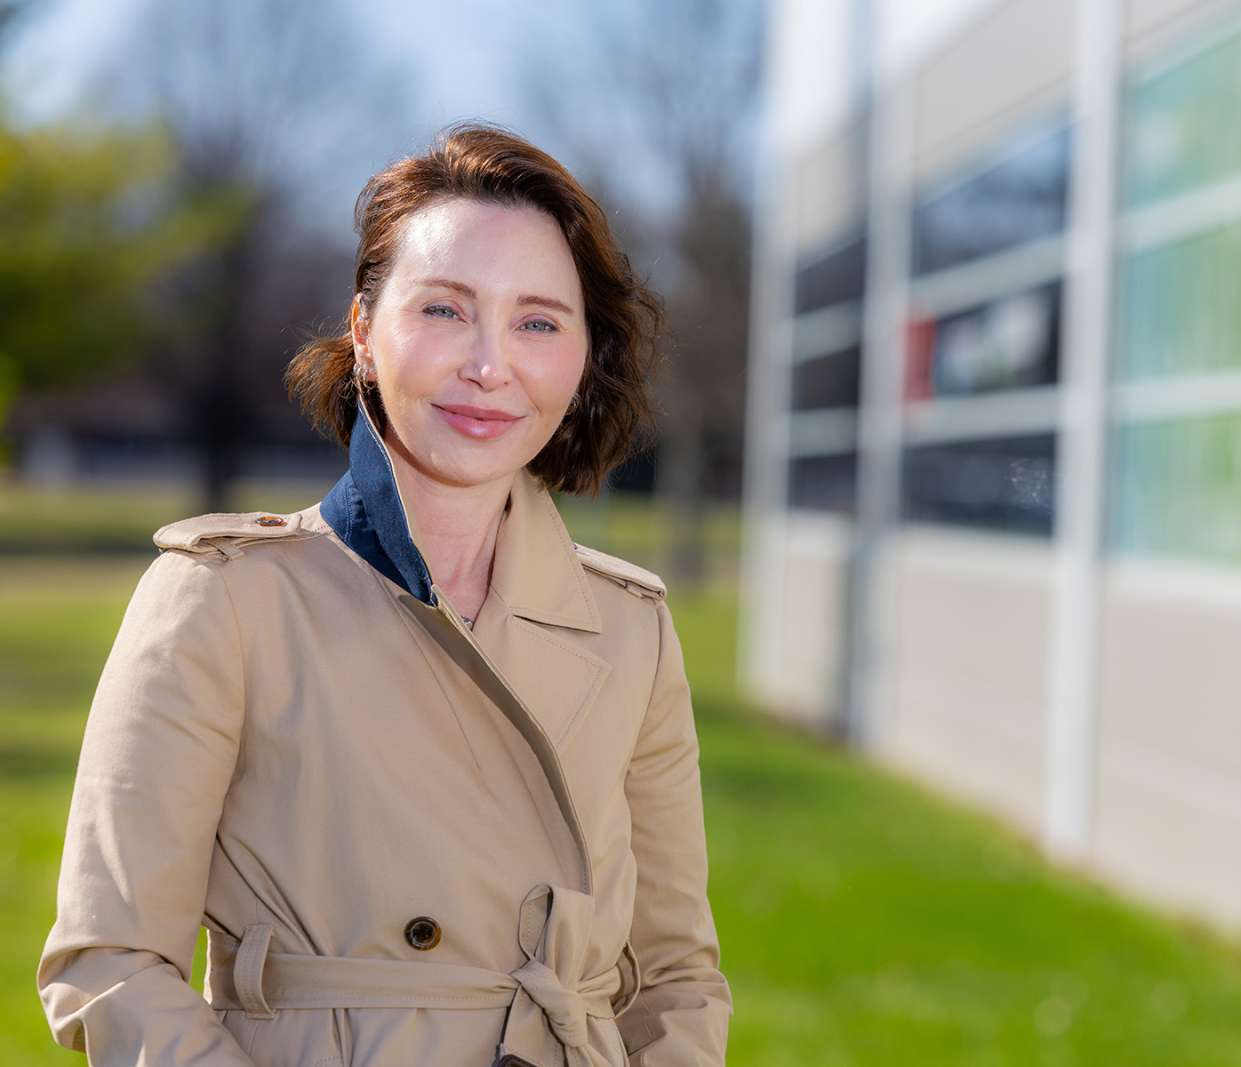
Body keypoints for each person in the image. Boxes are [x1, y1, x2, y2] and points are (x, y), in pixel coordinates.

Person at [37, 121, 732, 1066]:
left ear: (581, 359)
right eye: (445, 310)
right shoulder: (223, 600)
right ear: (364, 333)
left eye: (538, 321)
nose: (490, 365)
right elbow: (110, 960)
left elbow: (679, 979)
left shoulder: (630, 627)